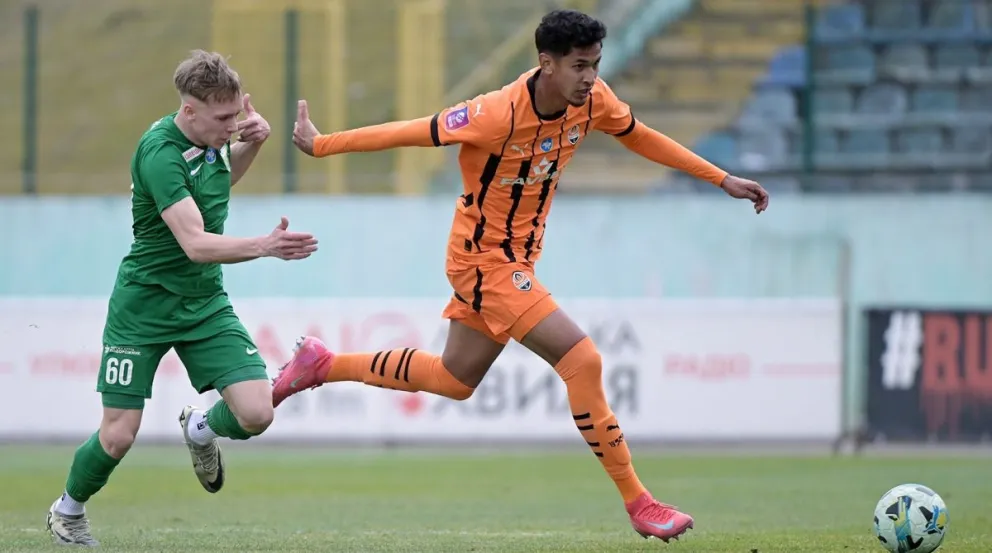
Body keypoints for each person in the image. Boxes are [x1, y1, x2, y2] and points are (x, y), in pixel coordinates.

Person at [276, 9, 768, 543]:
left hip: (517, 262)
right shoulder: (495, 113)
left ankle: (323, 364)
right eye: (580, 66)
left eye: (596, 65)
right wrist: (323, 144)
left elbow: (641, 136)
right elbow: (411, 132)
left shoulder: (594, 101)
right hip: (481, 261)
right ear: (546, 63)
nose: (590, 78)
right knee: (582, 359)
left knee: (454, 379)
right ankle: (639, 502)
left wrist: (721, 179)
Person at [46, 50, 319, 546]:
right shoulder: (160, 153)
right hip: (144, 305)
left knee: (257, 413)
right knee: (118, 435)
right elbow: (195, 244)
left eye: (236, 114)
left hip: (203, 302)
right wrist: (264, 246)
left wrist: (251, 146)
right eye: (223, 119)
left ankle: (200, 430)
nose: (232, 125)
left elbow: (218, 182)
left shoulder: (209, 139)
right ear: (189, 111)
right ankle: (68, 509)